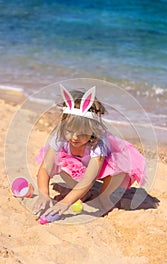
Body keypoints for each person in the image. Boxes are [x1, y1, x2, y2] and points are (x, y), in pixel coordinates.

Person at [32, 84, 146, 218]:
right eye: (69, 131)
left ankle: (104, 196)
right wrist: (44, 194)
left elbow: (89, 179)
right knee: (59, 161)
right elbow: (45, 168)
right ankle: (82, 193)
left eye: (82, 133)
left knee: (119, 169)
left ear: (92, 130)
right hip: (79, 164)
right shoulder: (61, 135)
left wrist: (66, 202)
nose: (74, 137)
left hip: (102, 167)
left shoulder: (98, 142)